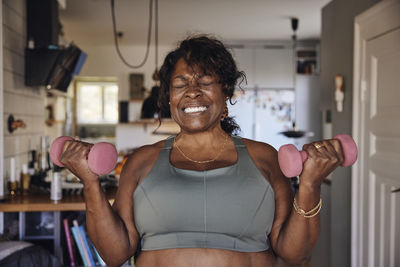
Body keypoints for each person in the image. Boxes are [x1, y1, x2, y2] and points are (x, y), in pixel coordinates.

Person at [59, 35, 344, 267]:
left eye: (205, 81)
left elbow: (295, 253)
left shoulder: (265, 158)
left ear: (226, 92)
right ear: (169, 99)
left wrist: (310, 183)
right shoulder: (140, 162)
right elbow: (114, 254)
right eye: (180, 84)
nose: (192, 91)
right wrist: (90, 183)